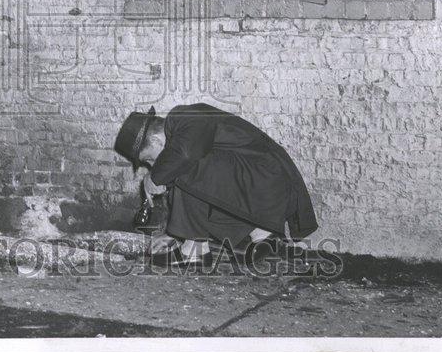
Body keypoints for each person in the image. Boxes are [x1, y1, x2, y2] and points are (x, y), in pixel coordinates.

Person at [113, 102, 318, 266]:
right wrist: (173, 234)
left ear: (157, 140)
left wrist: (154, 178)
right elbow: (206, 189)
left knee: (180, 167)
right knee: (178, 168)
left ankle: (195, 251)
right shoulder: (186, 132)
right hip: (264, 190)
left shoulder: (184, 117)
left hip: (271, 183)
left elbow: (185, 155)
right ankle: (262, 237)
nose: (151, 166)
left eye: (149, 160)